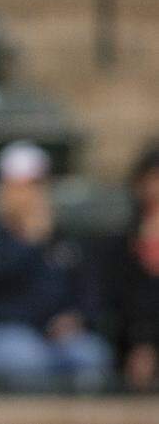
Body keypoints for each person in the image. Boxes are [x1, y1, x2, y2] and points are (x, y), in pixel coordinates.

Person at [0, 141, 112, 390]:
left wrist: (75, 318)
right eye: (18, 187)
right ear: (1, 190)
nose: (27, 195)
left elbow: (87, 290)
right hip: (1, 334)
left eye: (34, 186)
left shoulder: (64, 238)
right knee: (29, 359)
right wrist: (30, 241)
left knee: (91, 355)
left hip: (57, 337)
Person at [106, 143, 159, 392]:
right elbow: (120, 300)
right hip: (128, 341)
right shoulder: (122, 240)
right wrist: (142, 343)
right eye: (153, 180)